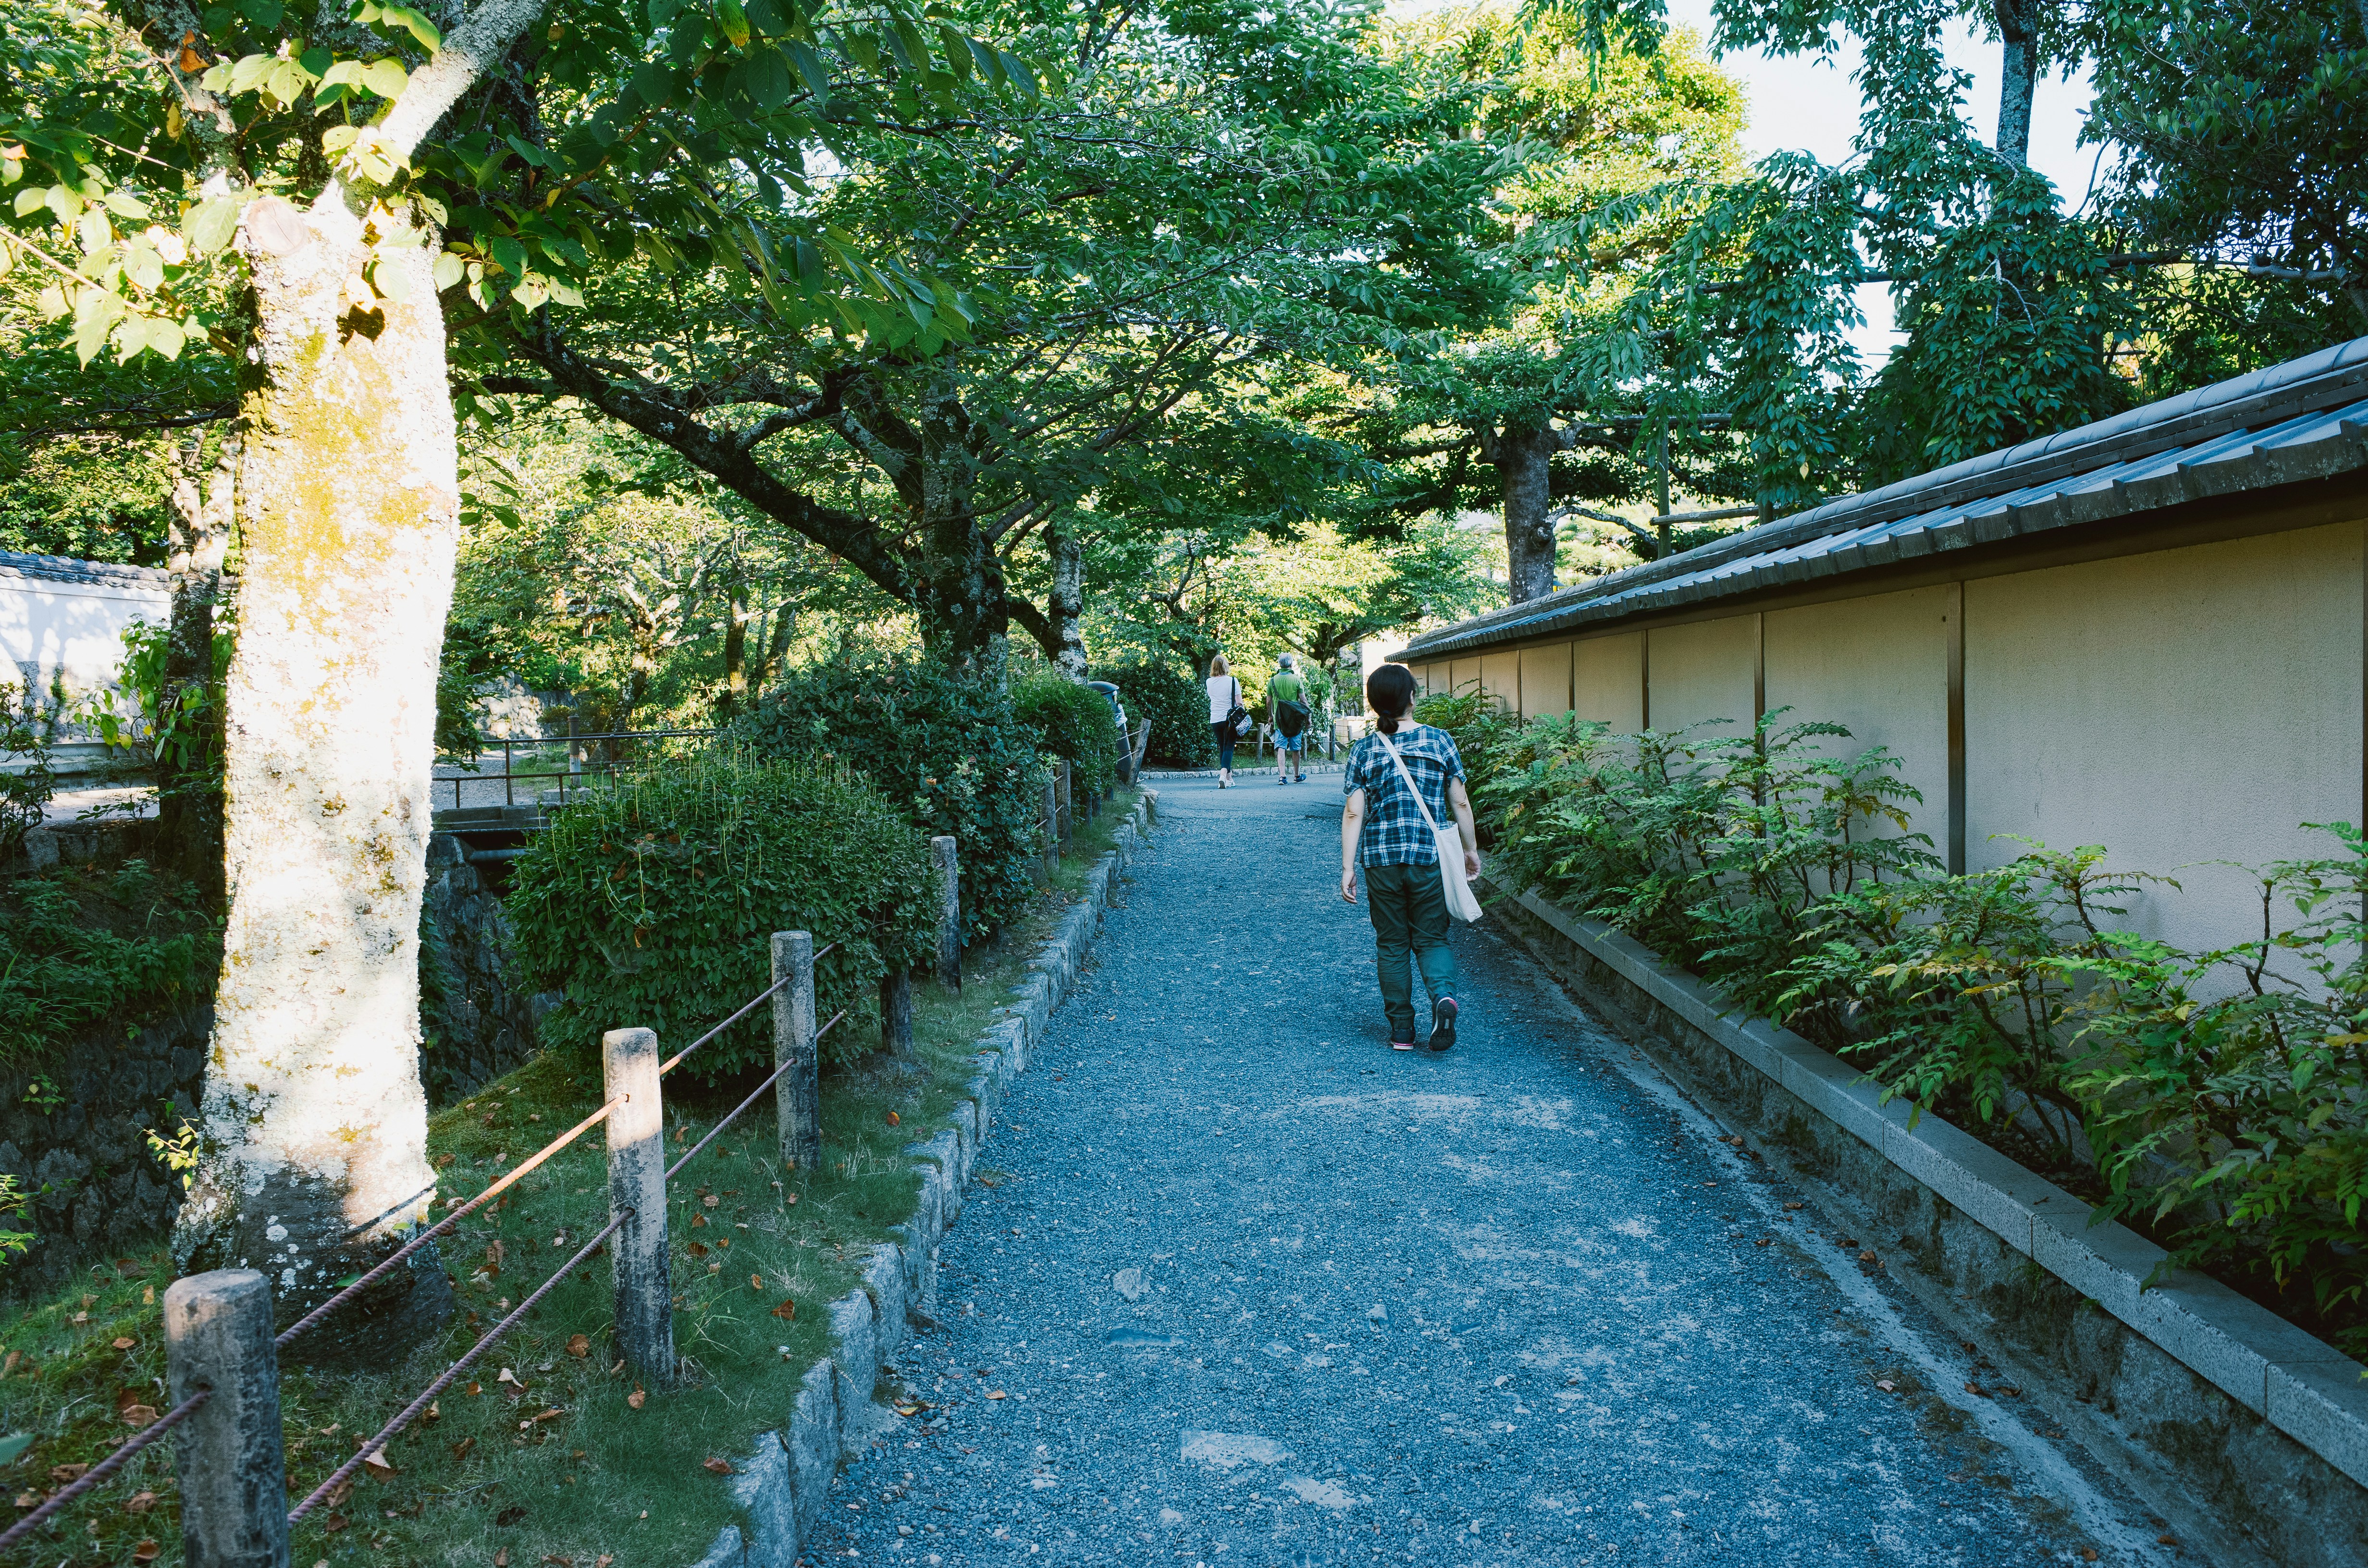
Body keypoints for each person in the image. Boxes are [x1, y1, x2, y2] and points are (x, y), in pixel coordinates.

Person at [1339, 664, 1479, 1052]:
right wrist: (1470, 850)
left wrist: (1348, 867)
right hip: (1428, 858)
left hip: (1381, 860)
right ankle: (1443, 999)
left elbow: (1354, 813)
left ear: (1373, 704)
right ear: (1412, 698)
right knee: (1432, 938)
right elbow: (1460, 802)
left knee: (1392, 942)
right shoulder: (1439, 742)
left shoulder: (1365, 749)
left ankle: (1402, 1029)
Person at [1268, 653, 1310, 784]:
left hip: (1279, 720)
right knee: (1295, 748)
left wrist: (1270, 716)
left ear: (1280, 664)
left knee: (1281, 746)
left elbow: (1269, 702)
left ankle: (1282, 776)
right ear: (1291, 665)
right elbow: (1303, 701)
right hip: (1295, 720)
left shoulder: (1273, 680)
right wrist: (1309, 717)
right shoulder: (1296, 680)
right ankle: (1297, 776)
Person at [1205, 654, 1243, 787]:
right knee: (1229, 747)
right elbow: (1239, 703)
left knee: (1223, 747)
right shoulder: (1233, 681)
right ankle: (1222, 775)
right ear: (1225, 666)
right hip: (1230, 719)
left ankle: (1228, 778)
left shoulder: (1209, 682)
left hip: (1215, 718)